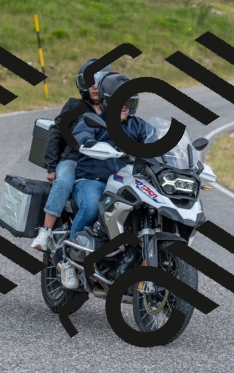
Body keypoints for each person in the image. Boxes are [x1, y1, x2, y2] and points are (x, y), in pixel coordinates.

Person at [57, 72, 156, 288]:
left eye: (128, 102)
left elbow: (155, 142)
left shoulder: (138, 126)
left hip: (124, 182)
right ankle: (67, 261)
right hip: (92, 179)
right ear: (106, 101)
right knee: (92, 206)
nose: (124, 106)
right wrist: (90, 143)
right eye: (119, 102)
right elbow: (81, 135)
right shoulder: (93, 120)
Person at [31, 59, 112, 251]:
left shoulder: (115, 111)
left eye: (99, 81)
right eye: (90, 82)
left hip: (102, 166)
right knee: (64, 181)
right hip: (73, 160)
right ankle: (46, 232)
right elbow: (56, 133)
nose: (94, 87)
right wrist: (51, 167)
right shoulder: (75, 106)